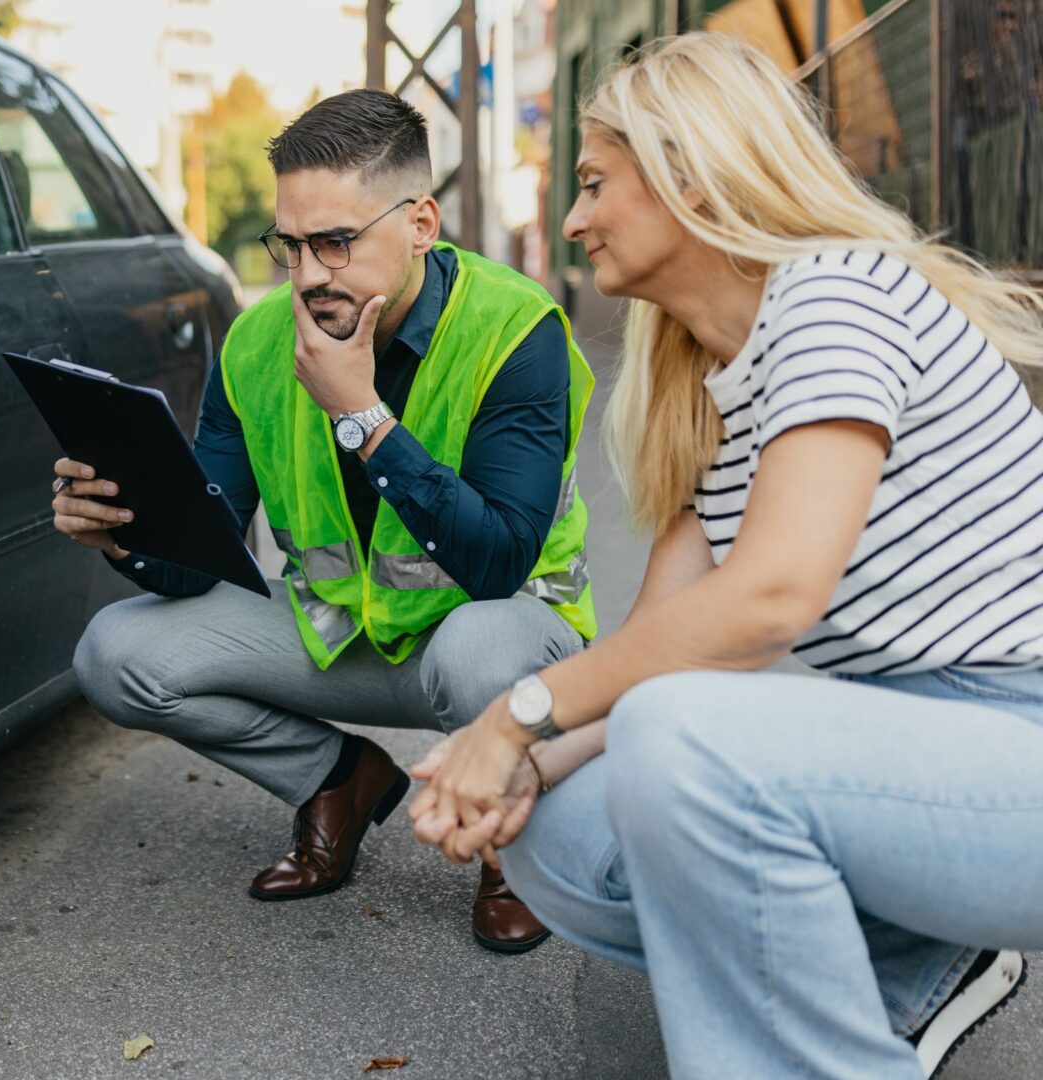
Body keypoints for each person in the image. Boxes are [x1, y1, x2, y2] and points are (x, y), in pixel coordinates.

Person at [408, 33, 1043, 1079]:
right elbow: (664, 650)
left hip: (1014, 744)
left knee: (676, 738)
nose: (572, 219)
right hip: (924, 762)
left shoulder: (840, 295)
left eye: (595, 184)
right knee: (548, 832)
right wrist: (511, 767)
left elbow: (772, 598)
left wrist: (512, 714)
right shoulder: (710, 388)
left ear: (688, 173)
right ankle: (907, 964)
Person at [57, 89, 599, 952]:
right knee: (115, 653)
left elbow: (497, 562)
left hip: (500, 650)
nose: (309, 274)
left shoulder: (515, 329)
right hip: (345, 637)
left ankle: (516, 844)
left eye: (336, 242)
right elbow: (202, 561)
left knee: (477, 646)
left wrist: (362, 417)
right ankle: (337, 781)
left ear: (421, 223)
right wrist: (128, 533)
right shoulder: (257, 341)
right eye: (292, 245)